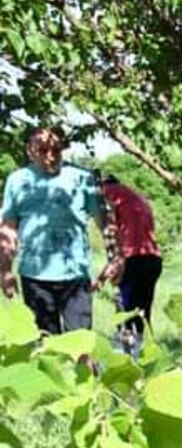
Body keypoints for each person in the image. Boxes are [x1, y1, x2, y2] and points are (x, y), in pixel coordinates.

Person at [0, 126, 105, 333]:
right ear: (30, 151)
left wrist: (116, 257)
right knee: (44, 343)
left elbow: (104, 221)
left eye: (56, 150)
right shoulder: (17, 181)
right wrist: (4, 270)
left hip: (75, 275)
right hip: (35, 276)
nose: (50, 156)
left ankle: (84, 367)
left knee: (81, 343)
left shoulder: (82, 178)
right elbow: (8, 229)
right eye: (43, 150)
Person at [98, 175, 163, 350]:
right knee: (143, 313)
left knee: (125, 314)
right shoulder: (137, 197)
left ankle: (128, 357)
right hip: (153, 258)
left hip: (132, 260)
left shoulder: (106, 194)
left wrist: (105, 273)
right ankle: (147, 354)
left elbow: (111, 233)